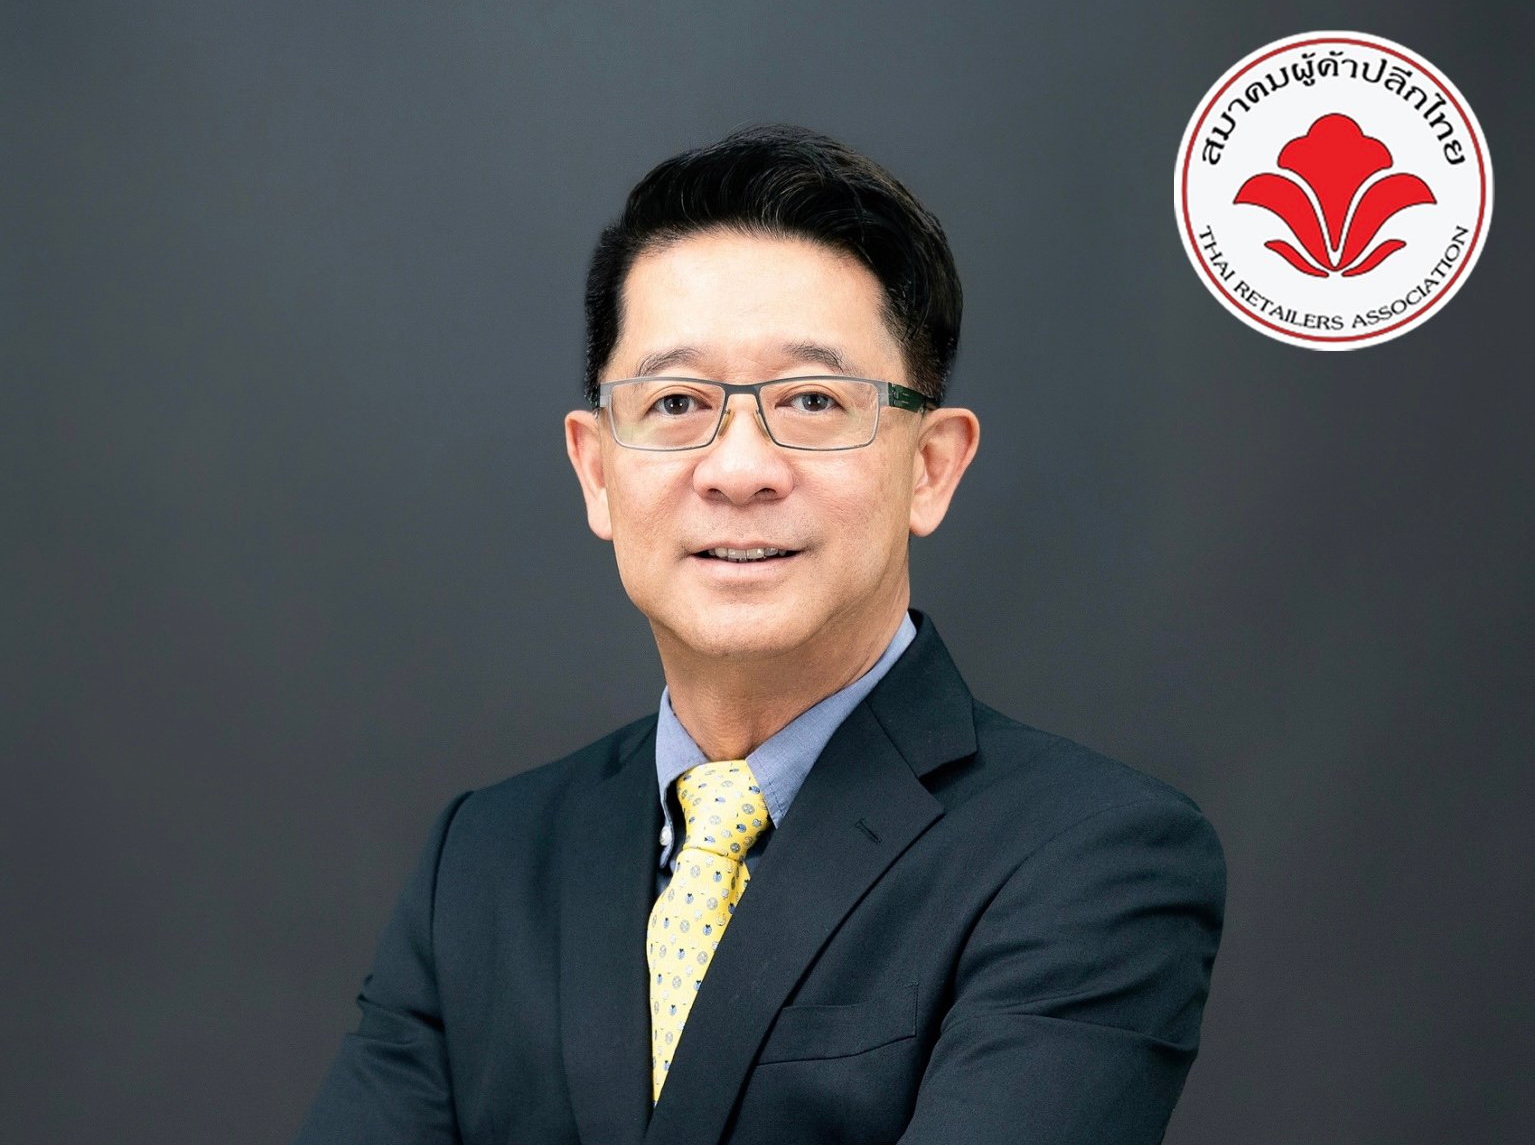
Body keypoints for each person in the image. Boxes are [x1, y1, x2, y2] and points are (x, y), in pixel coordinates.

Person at [295, 125, 1225, 1145]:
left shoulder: (1091, 855)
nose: (738, 470)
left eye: (812, 399)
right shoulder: (481, 859)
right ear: (596, 470)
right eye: (676, 401)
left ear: (930, 466)